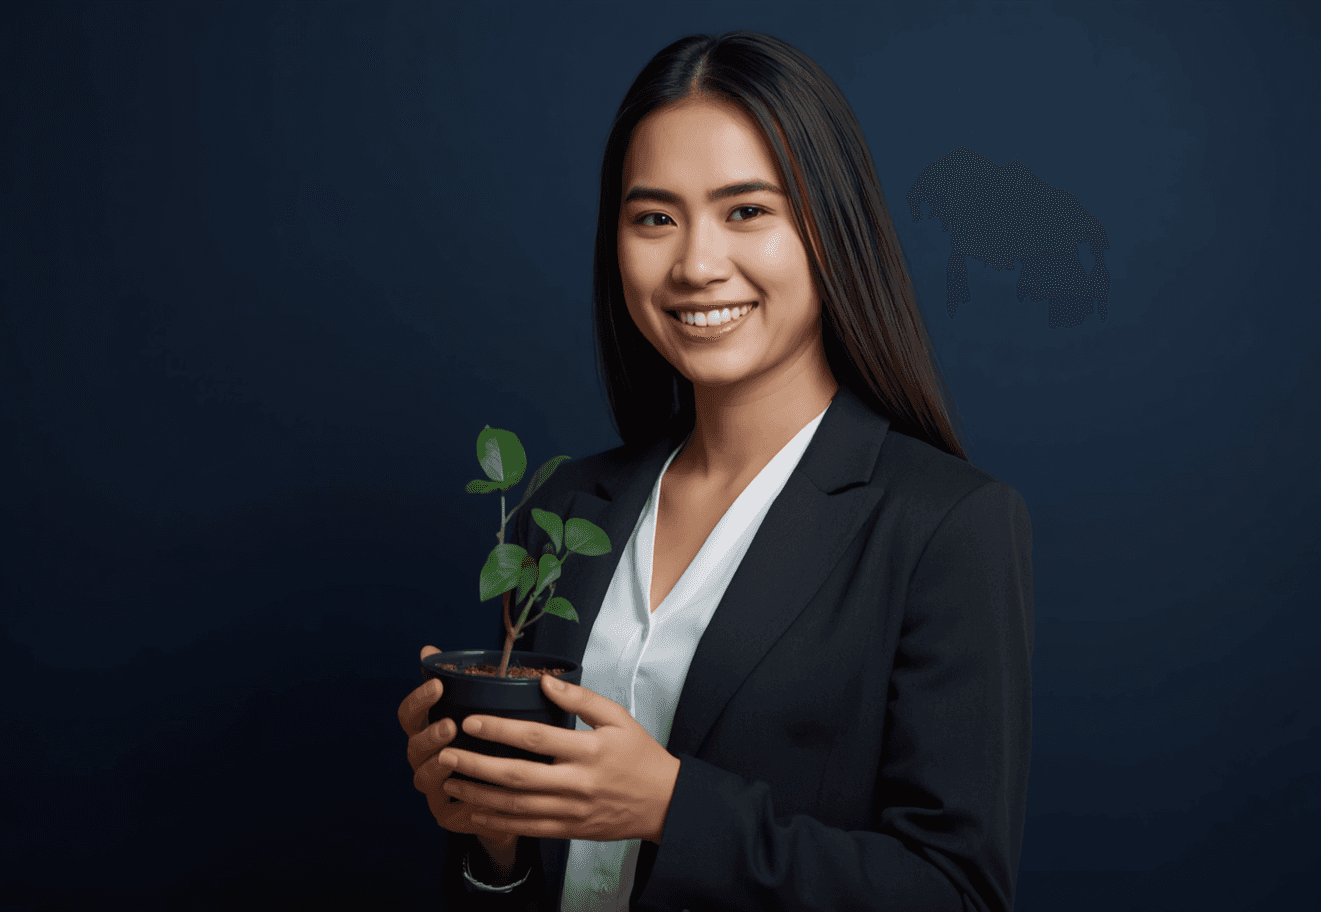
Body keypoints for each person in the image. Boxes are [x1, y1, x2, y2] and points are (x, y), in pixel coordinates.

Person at [397, 30, 1034, 911]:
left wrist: (669, 805)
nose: (696, 265)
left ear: (830, 227)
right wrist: (494, 836)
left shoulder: (945, 527)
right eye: (654, 218)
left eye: (746, 211)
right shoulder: (566, 505)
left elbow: (956, 893)